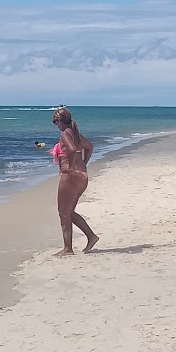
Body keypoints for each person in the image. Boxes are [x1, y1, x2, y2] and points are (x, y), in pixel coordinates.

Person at [50, 106, 98, 257]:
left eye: (54, 121)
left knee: (63, 213)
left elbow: (71, 150)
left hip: (70, 177)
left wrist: (70, 167)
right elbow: (89, 147)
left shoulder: (66, 134)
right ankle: (91, 236)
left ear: (59, 121)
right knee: (69, 212)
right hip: (82, 176)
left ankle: (68, 249)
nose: (55, 125)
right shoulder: (76, 134)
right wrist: (83, 163)